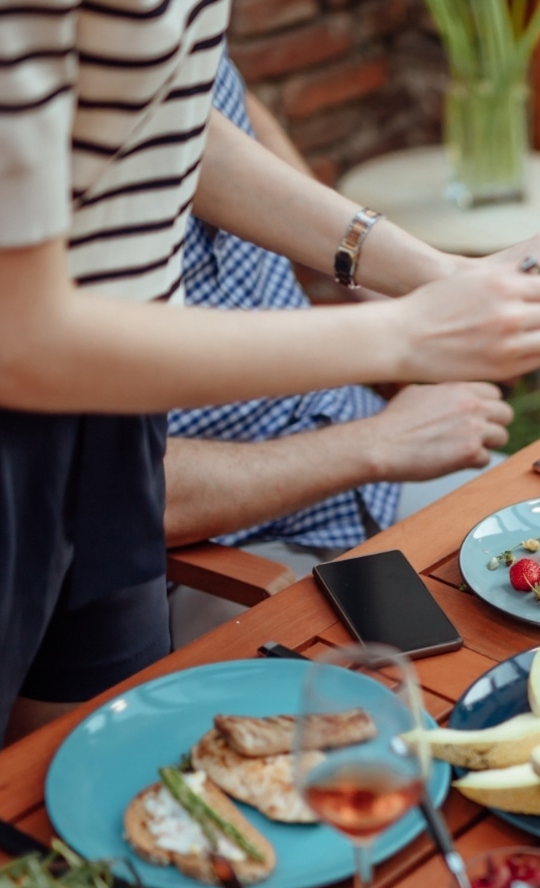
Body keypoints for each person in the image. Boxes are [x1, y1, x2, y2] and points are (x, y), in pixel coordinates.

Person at [0, 2, 540, 801]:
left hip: (111, 419)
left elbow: (173, 119)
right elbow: (12, 343)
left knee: (110, 789)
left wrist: (444, 274)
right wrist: (403, 337)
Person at [165, 55, 512, 644]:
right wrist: (379, 438)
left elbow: (227, 112)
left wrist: (387, 269)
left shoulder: (163, 49)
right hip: (220, 545)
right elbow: (124, 493)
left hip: (343, 429)